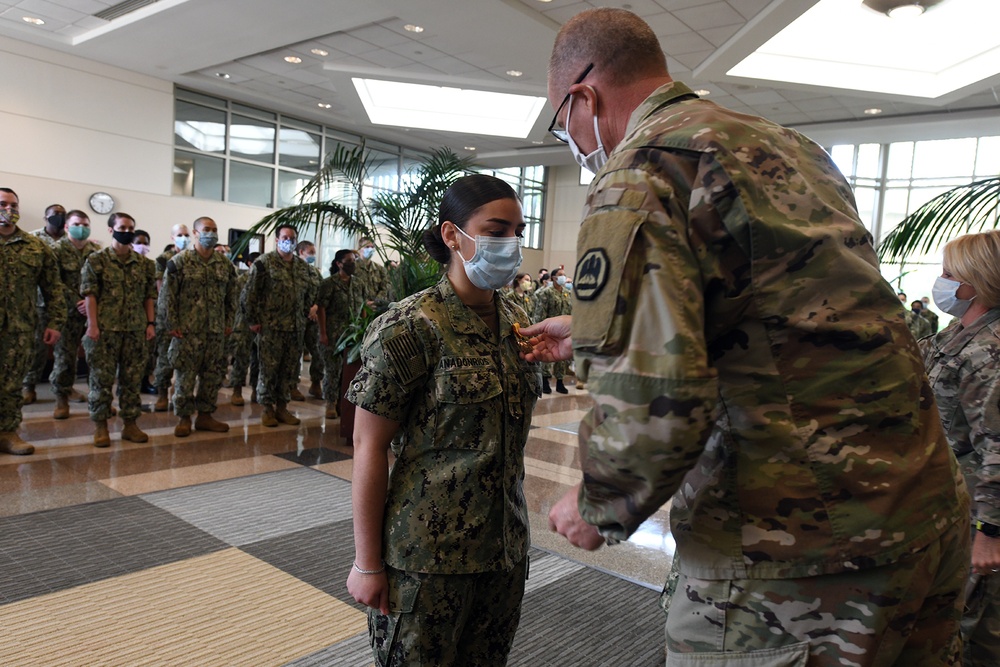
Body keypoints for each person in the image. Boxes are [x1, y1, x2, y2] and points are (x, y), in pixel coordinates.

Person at [525, 8, 970, 664]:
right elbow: (790, 313)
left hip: (796, 559)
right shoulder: (790, 148)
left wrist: (599, 498)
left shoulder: (642, 169)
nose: (572, 137)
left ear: (584, 97)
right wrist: (593, 327)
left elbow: (656, 401)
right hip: (922, 516)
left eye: (563, 121)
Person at [345, 174, 540, 666]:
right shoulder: (410, 327)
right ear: (453, 235)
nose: (510, 244)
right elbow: (368, 447)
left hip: (502, 551)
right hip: (426, 562)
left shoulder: (517, 321)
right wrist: (367, 564)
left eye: (518, 231)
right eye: (496, 231)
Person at [921, 231, 1000, 667]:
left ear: (976, 282)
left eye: (950, 274)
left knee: (974, 628)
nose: (943, 282)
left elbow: (998, 447)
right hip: (954, 504)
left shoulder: (991, 353)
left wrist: (990, 533)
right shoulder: (958, 335)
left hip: (981, 518)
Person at [81, 212, 156, 447]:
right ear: (111, 230)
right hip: (104, 330)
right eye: (122, 227)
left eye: (130, 228)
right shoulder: (96, 260)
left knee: (132, 381)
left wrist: (150, 324)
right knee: (101, 381)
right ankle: (101, 426)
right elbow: (90, 295)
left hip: (134, 329)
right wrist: (92, 325)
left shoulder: (145, 264)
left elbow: (148, 297)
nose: (127, 232)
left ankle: (130, 425)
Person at [0, 188, 64, 455]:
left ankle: (7, 432)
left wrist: (55, 322)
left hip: (19, 329)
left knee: (11, 384)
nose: (9, 209)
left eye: (13, 205)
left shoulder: (36, 246)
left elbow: (53, 289)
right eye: (3, 204)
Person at [160, 217, 237, 437]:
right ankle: (183, 418)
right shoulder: (179, 262)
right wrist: (171, 324)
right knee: (185, 376)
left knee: (212, 376)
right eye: (206, 230)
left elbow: (232, 297)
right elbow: (167, 296)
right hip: (187, 332)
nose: (210, 234)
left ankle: (205, 416)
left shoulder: (224, 265)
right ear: (195, 232)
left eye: (214, 230)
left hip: (215, 331)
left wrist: (229, 323)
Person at [242, 225, 316, 427]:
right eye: (285, 237)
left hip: (295, 329)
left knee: (289, 370)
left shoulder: (302, 267)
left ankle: (282, 408)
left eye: (292, 238)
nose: (289, 241)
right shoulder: (264, 263)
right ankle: (267, 409)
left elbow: (310, 294)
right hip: (271, 328)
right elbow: (249, 295)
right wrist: (254, 321)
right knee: (269, 370)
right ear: (276, 240)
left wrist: (308, 311)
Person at [50, 210, 100, 419]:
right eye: (77, 224)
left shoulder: (96, 251)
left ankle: (99, 400)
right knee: (65, 358)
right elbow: (53, 282)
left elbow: (102, 280)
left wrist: (89, 303)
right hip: (67, 313)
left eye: (85, 224)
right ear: (67, 226)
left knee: (96, 359)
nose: (82, 228)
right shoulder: (56, 250)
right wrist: (77, 302)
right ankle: (62, 399)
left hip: (92, 314)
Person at [23, 203, 67, 405]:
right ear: (45, 218)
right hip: (38, 303)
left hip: (65, 302)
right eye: (54, 215)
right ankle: (29, 386)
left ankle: (64, 388)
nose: (58, 218)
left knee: (66, 350)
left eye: (62, 215)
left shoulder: (70, 240)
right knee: (37, 348)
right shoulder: (32, 239)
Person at [317, 248, 363, 419]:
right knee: (332, 370)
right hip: (333, 333)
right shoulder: (328, 284)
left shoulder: (358, 283)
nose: (353, 264)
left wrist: (362, 331)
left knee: (348, 372)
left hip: (352, 335)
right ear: (339, 264)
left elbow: (363, 308)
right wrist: (323, 333)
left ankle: (341, 404)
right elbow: (321, 309)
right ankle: (330, 402)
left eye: (354, 261)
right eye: (349, 261)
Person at [153, 223, 191, 410]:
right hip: (167, 317)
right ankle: (161, 394)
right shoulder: (163, 260)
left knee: (186, 359)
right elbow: (162, 291)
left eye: (186, 234)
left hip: (189, 318)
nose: (183, 238)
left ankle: (182, 395)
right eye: (179, 235)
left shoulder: (192, 259)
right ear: (172, 237)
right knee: (164, 358)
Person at [533, 266, 572, 394]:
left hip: (564, 331)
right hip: (550, 330)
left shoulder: (567, 293)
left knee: (562, 359)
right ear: (554, 278)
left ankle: (560, 382)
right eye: (561, 275)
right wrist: (540, 329)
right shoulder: (546, 292)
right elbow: (540, 313)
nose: (563, 277)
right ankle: (545, 381)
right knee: (548, 355)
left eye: (564, 275)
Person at [228, 252, 260, 406]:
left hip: (260, 326)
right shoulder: (241, 281)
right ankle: (237, 390)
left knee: (258, 360)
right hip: (242, 325)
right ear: (249, 263)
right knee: (241, 359)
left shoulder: (265, 281)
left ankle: (255, 389)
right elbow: (237, 303)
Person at [296, 240, 324, 400]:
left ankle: (316, 383)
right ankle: (292, 385)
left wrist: (315, 306)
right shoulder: (293, 270)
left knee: (318, 352)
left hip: (313, 320)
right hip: (296, 319)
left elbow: (322, 292)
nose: (313, 255)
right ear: (301, 252)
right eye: (311, 252)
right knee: (294, 354)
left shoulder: (315, 272)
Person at [355, 237, 390, 306]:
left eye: (372, 247)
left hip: (377, 307)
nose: (370, 249)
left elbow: (385, 287)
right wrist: (365, 303)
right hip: (358, 309)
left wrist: (376, 302)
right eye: (367, 247)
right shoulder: (352, 268)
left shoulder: (380, 269)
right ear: (359, 248)